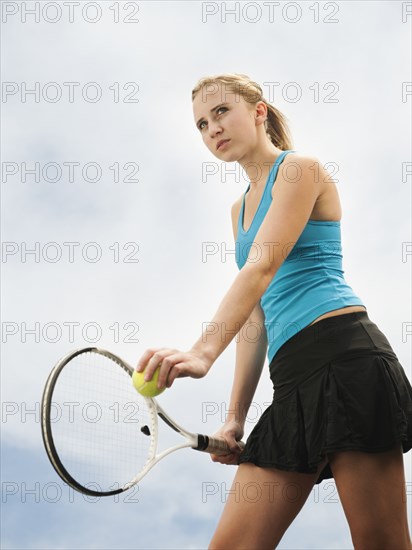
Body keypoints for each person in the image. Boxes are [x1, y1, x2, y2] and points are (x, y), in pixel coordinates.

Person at [136, 73, 412, 549]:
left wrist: (202, 352)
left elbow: (261, 268)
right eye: (201, 124)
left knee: (382, 544)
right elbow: (258, 316)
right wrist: (235, 417)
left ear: (258, 111)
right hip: (292, 382)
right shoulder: (238, 211)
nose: (212, 129)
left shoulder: (300, 170)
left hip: (347, 359)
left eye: (221, 112)